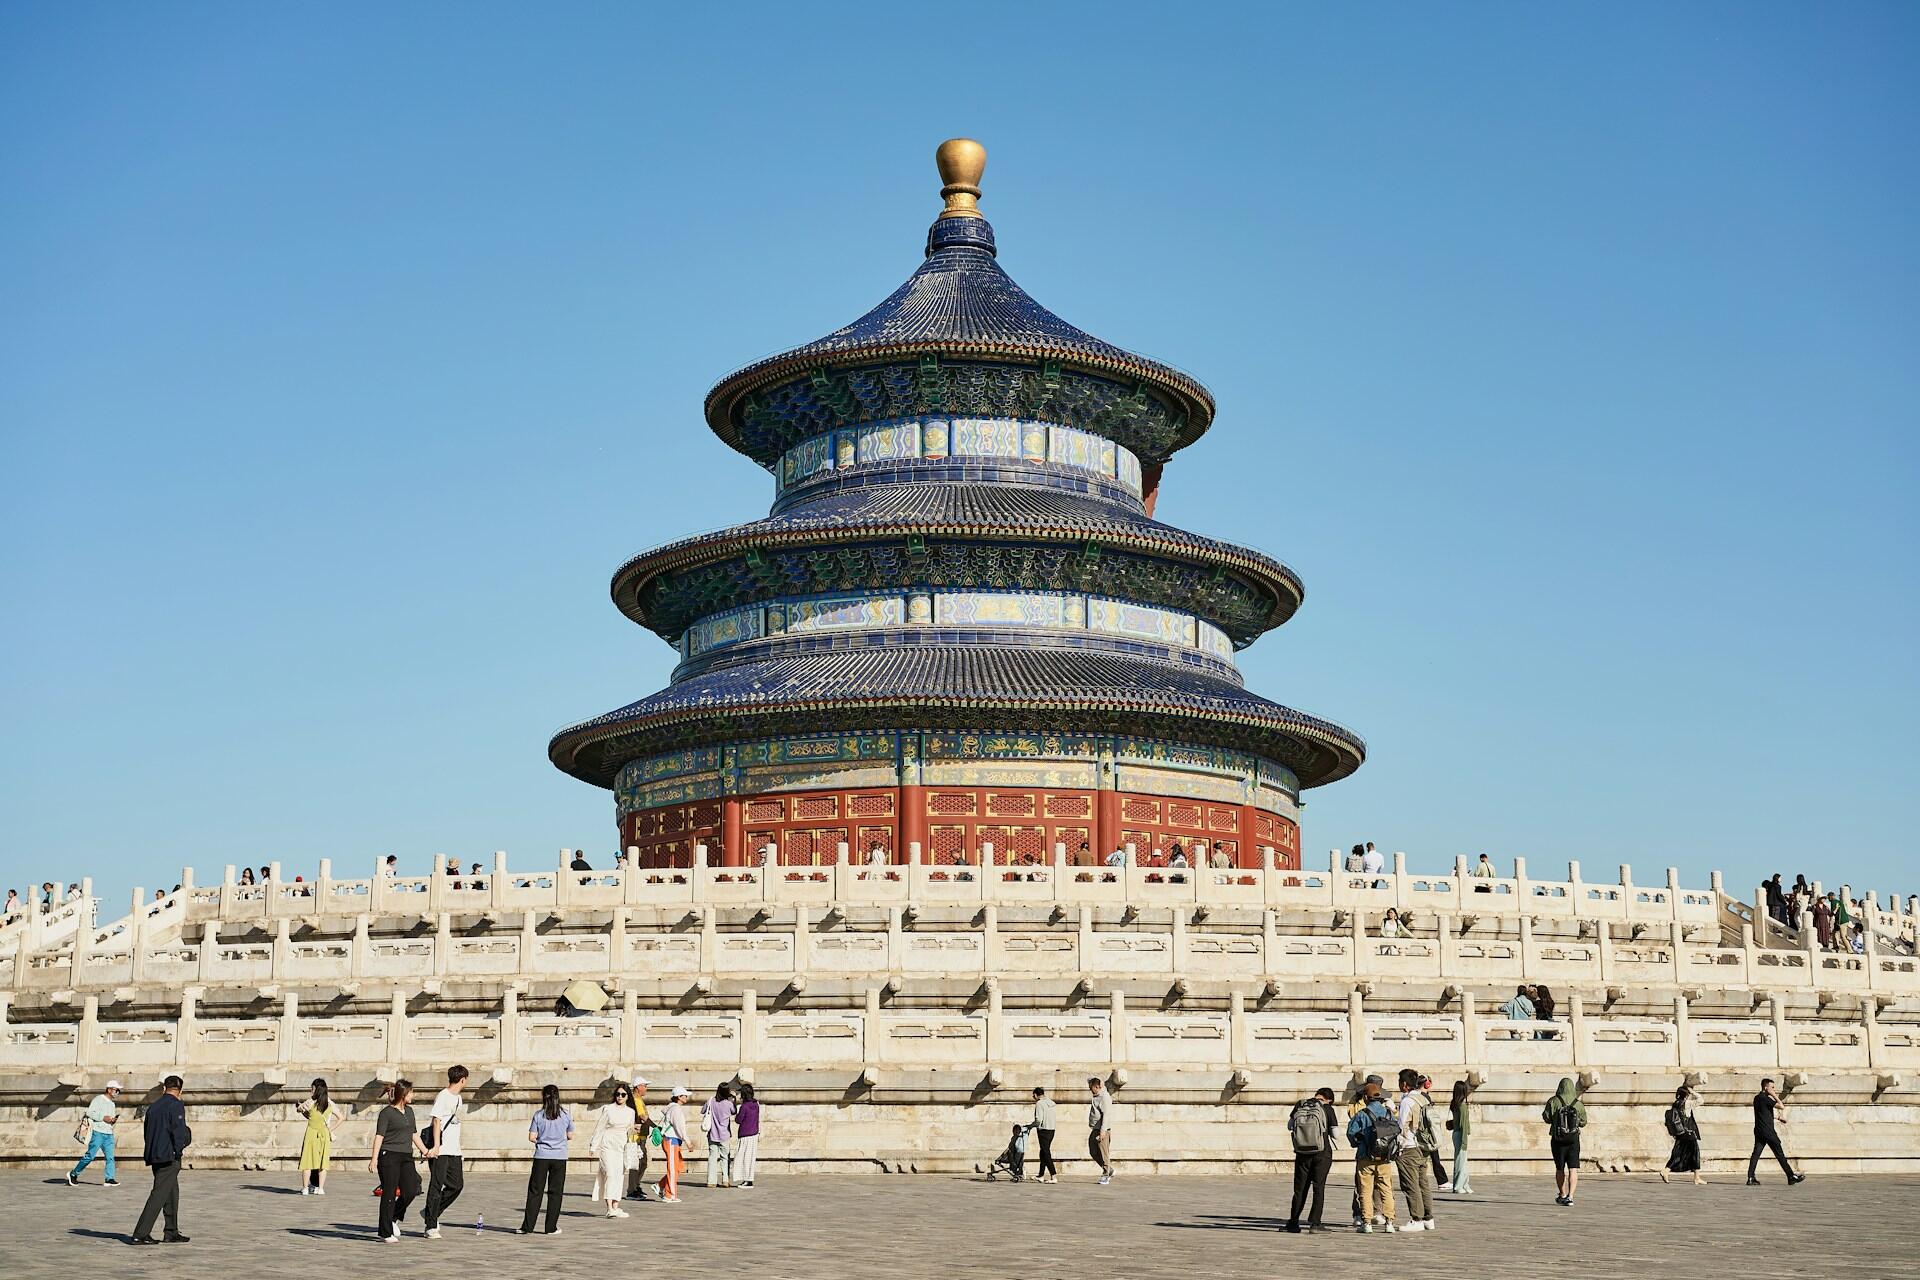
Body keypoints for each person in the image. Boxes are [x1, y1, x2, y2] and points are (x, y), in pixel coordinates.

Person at [131, 1075, 191, 1244]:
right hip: (169, 1155)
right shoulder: (176, 1105)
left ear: (164, 1088)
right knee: (158, 1194)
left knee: (171, 1192)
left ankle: (171, 1231)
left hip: (155, 1154)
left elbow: (147, 1132)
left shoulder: (153, 1107)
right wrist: (178, 1151)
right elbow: (178, 1130)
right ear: (180, 1090)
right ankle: (140, 1233)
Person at [369, 1079, 429, 1242]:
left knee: (411, 1190)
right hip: (388, 1156)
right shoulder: (386, 1113)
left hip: (406, 1156)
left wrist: (425, 1151)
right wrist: (374, 1158)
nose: (413, 1095)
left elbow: (413, 1134)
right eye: (410, 1092)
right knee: (388, 1193)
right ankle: (385, 1232)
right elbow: (379, 1136)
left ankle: (394, 1216)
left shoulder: (409, 1112)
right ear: (403, 1094)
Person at [420, 1064, 469, 1238]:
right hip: (441, 1149)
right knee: (436, 1184)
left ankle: (431, 1211)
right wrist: (436, 1146)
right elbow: (436, 1121)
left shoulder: (459, 1099)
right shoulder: (443, 1096)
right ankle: (430, 1225)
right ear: (462, 1079)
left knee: (457, 1185)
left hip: (454, 1150)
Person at [1345, 1075, 1396, 1233]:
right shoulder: (1388, 1113)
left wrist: (1357, 1143)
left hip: (1365, 1156)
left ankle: (1366, 1222)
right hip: (1385, 1158)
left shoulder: (1362, 1114)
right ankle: (1389, 1222)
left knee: (1365, 1190)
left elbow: (1351, 1133)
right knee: (1386, 1189)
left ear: (1366, 1097)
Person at [521, 1084, 572, 1234]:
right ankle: (551, 1227)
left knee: (535, 1191)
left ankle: (527, 1226)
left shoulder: (538, 1115)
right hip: (559, 1157)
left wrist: (543, 1141)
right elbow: (570, 1135)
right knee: (555, 1193)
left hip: (542, 1156)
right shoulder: (566, 1115)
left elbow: (532, 1137)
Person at [1284, 1086, 1336, 1233]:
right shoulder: (1327, 1109)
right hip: (1322, 1154)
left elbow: (1290, 1126)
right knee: (1318, 1188)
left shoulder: (1301, 1105)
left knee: (1300, 1189)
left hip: (1302, 1153)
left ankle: (1293, 1222)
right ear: (1329, 1100)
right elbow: (1336, 1134)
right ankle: (1315, 1223)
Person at [1394, 1069, 1437, 1232]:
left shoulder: (1407, 1101)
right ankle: (1428, 1217)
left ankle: (1416, 1218)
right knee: (1423, 1183)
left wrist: (1398, 1146)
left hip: (1409, 1147)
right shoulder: (1423, 1099)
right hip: (1423, 1146)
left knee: (1410, 1184)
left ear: (1404, 1085)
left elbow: (1402, 1126)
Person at [590, 1082, 637, 1217]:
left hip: (621, 1146)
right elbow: (600, 1127)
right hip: (607, 1145)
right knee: (609, 1174)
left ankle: (616, 1206)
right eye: (617, 1094)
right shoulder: (608, 1109)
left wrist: (634, 1130)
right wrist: (594, 1145)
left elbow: (630, 1130)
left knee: (618, 1176)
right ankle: (609, 1207)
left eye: (623, 1094)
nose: (620, 1097)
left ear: (628, 1096)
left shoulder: (630, 1112)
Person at [1747, 1077, 1804, 1185]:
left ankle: (1750, 1177)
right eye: (1772, 1087)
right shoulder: (1766, 1098)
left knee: (1756, 1154)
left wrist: (1778, 1118)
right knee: (1780, 1154)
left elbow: (1763, 1114)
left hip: (1759, 1131)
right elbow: (1781, 1106)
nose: (1774, 1090)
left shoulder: (1757, 1098)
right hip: (1768, 1132)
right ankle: (1791, 1176)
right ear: (1766, 1087)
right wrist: (1774, 1096)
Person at [69, 1080, 122, 1186]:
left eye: (118, 1091)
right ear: (109, 1089)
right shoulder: (98, 1099)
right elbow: (89, 1113)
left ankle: (109, 1178)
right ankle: (74, 1173)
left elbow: (108, 1119)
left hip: (108, 1133)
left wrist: (112, 1121)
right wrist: (103, 1117)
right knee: (90, 1156)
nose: (117, 1093)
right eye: (116, 1090)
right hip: (98, 1132)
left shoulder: (112, 1104)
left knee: (110, 1157)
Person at [1542, 1078, 1586, 1206]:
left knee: (1560, 1168)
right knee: (1573, 1168)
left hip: (1558, 1139)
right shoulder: (1578, 1104)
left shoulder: (1553, 1101)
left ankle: (1562, 1194)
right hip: (1573, 1140)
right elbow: (1583, 1122)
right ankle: (1571, 1197)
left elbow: (1546, 1118)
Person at [296, 1078, 342, 1194]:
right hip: (324, 1134)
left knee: (307, 1161)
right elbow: (341, 1117)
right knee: (323, 1162)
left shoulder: (310, 1102)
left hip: (311, 1133)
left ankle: (305, 1188)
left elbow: (300, 1110)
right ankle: (320, 1188)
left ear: (316, 1090)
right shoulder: (329, 1103)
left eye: (312, 1089)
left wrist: (299, 1106)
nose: (311, 1092)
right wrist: (330, 1129)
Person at [1661, 1084, 1704, 1186]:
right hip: (1688, 1133)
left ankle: (1666, 1170)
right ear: (1686, 1094)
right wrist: (1693, 1092)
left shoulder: (1675, 1103)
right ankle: (1696, 1178)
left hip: (1680, 1133)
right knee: (1695, 1154)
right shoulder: (1687, 1103)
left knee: (1678, 1154)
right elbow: (1701, 1100)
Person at [657, 1085, 691, 1202]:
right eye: (685, 1095)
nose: (686, 1097)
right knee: (672, 1168)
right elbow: (680, 1128)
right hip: (671, 1140)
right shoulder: (675, 1109)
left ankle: (660, 1185)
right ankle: (669, 1194)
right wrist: (688, 1142)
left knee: (678, 1167)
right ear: (679, 1097)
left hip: (673, 1140)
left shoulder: (673, 1108)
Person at [702, 1082, 737, 1188]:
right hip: (724, 1134)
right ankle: (725, 1180)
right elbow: (734, 1112)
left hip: (712, 1134)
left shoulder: (711, 1101)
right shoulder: (728, 1103)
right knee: (725, 1157)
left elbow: (703, 1111)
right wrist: (734, 1100)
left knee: (712, 1157)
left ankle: (711, 1181)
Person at [626, 1076, 655, 1201]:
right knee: (636, 1164)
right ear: (638, 1087)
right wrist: (656, 1127)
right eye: (645, 1085)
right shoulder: (636, 1100)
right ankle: (631, 1190)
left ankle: (636, 1186)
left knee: (643, 1163)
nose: (646, 1088)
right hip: (635, 1137)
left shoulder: (639, 1099)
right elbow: (642, 1116)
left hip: (641, 1136)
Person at [1446, 1079, 1474, 1194]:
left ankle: (1465, 1183)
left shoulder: (1455, 1104)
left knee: (1462, 1160)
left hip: (1457, 1133)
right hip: (1460, 1134)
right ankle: (1458, 1186)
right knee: (1460, 1161)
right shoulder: (1462, 1106)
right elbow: (1463, 1124)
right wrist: (1464, 1141)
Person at [1087, 1076, 1115, 1185]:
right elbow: (1089, 1078)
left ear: (1097, 1087)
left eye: (1091, 1088)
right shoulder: (1096, 1095)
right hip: (1095, 1128)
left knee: (1104, 1153)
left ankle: (1106, 1174)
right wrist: (1098, 1080)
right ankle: (1110, 1169)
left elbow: (1106, 1115)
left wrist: (1103, 1131)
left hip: (1102, 1129)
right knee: (1093, 1151)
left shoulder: (1104, 1097)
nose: (1090, 1089)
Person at [734, 1082, 761, 1188]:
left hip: (745, 1134)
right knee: (750, 1158)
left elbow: (738, 1120)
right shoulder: (756, 1104)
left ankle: (747, 1180)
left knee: (742, 1157)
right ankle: (749, 1179)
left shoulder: (744, 1106)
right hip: (754, 1133)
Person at [1028, 1086, 1057, 1183]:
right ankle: (1041, 1175)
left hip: (1043, 1130)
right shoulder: (1051, 1103)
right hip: (1051, 1129)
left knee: (1046, 1153)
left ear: (1036, 1095)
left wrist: (1031, 1126)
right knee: (1043, 1152)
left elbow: (1038, 1119)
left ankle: (1053, 1176)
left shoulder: (1039, 1103)